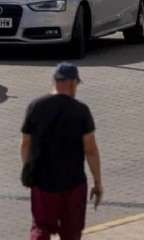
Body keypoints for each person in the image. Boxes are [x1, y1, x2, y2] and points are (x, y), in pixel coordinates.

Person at [21, 63, 102, 240]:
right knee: (71, 232)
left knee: (41, 227)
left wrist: (28, 170)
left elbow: (25, 143)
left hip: (43, 182)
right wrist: (97, 182)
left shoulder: (36, 106)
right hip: (73, 182)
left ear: (54, 81)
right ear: (73, 83)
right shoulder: (81, 110)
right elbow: (91, 150)